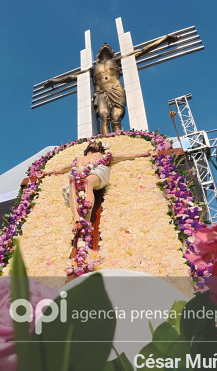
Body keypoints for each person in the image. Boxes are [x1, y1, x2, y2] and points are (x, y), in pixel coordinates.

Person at [46, 34, 179, 134]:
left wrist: (164, 39)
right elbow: (71, 77)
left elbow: (143, 50)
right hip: (101, 94)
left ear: (112, 52)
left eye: (108, 46)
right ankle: (105, 144)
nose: (105, 45)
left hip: (116, 91)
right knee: (104, 116)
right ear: (98, 54)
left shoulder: (118, 61)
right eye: (103, 46)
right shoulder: (93, 69)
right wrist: (54, 81)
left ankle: (120, 140)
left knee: (116, 119)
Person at [41, 141, 156, 231]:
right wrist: (47, 173)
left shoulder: (101, 155)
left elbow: (125, 155)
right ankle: (77, 220)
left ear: (100, 148)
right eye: (91, 144)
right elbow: (61, 169)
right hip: (78, 175)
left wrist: (145, 153)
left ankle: (86, 220)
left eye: (96, 144)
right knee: (72, 183)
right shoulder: (78, 160)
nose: (93, 144)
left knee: (87, 182)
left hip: (96, 171)